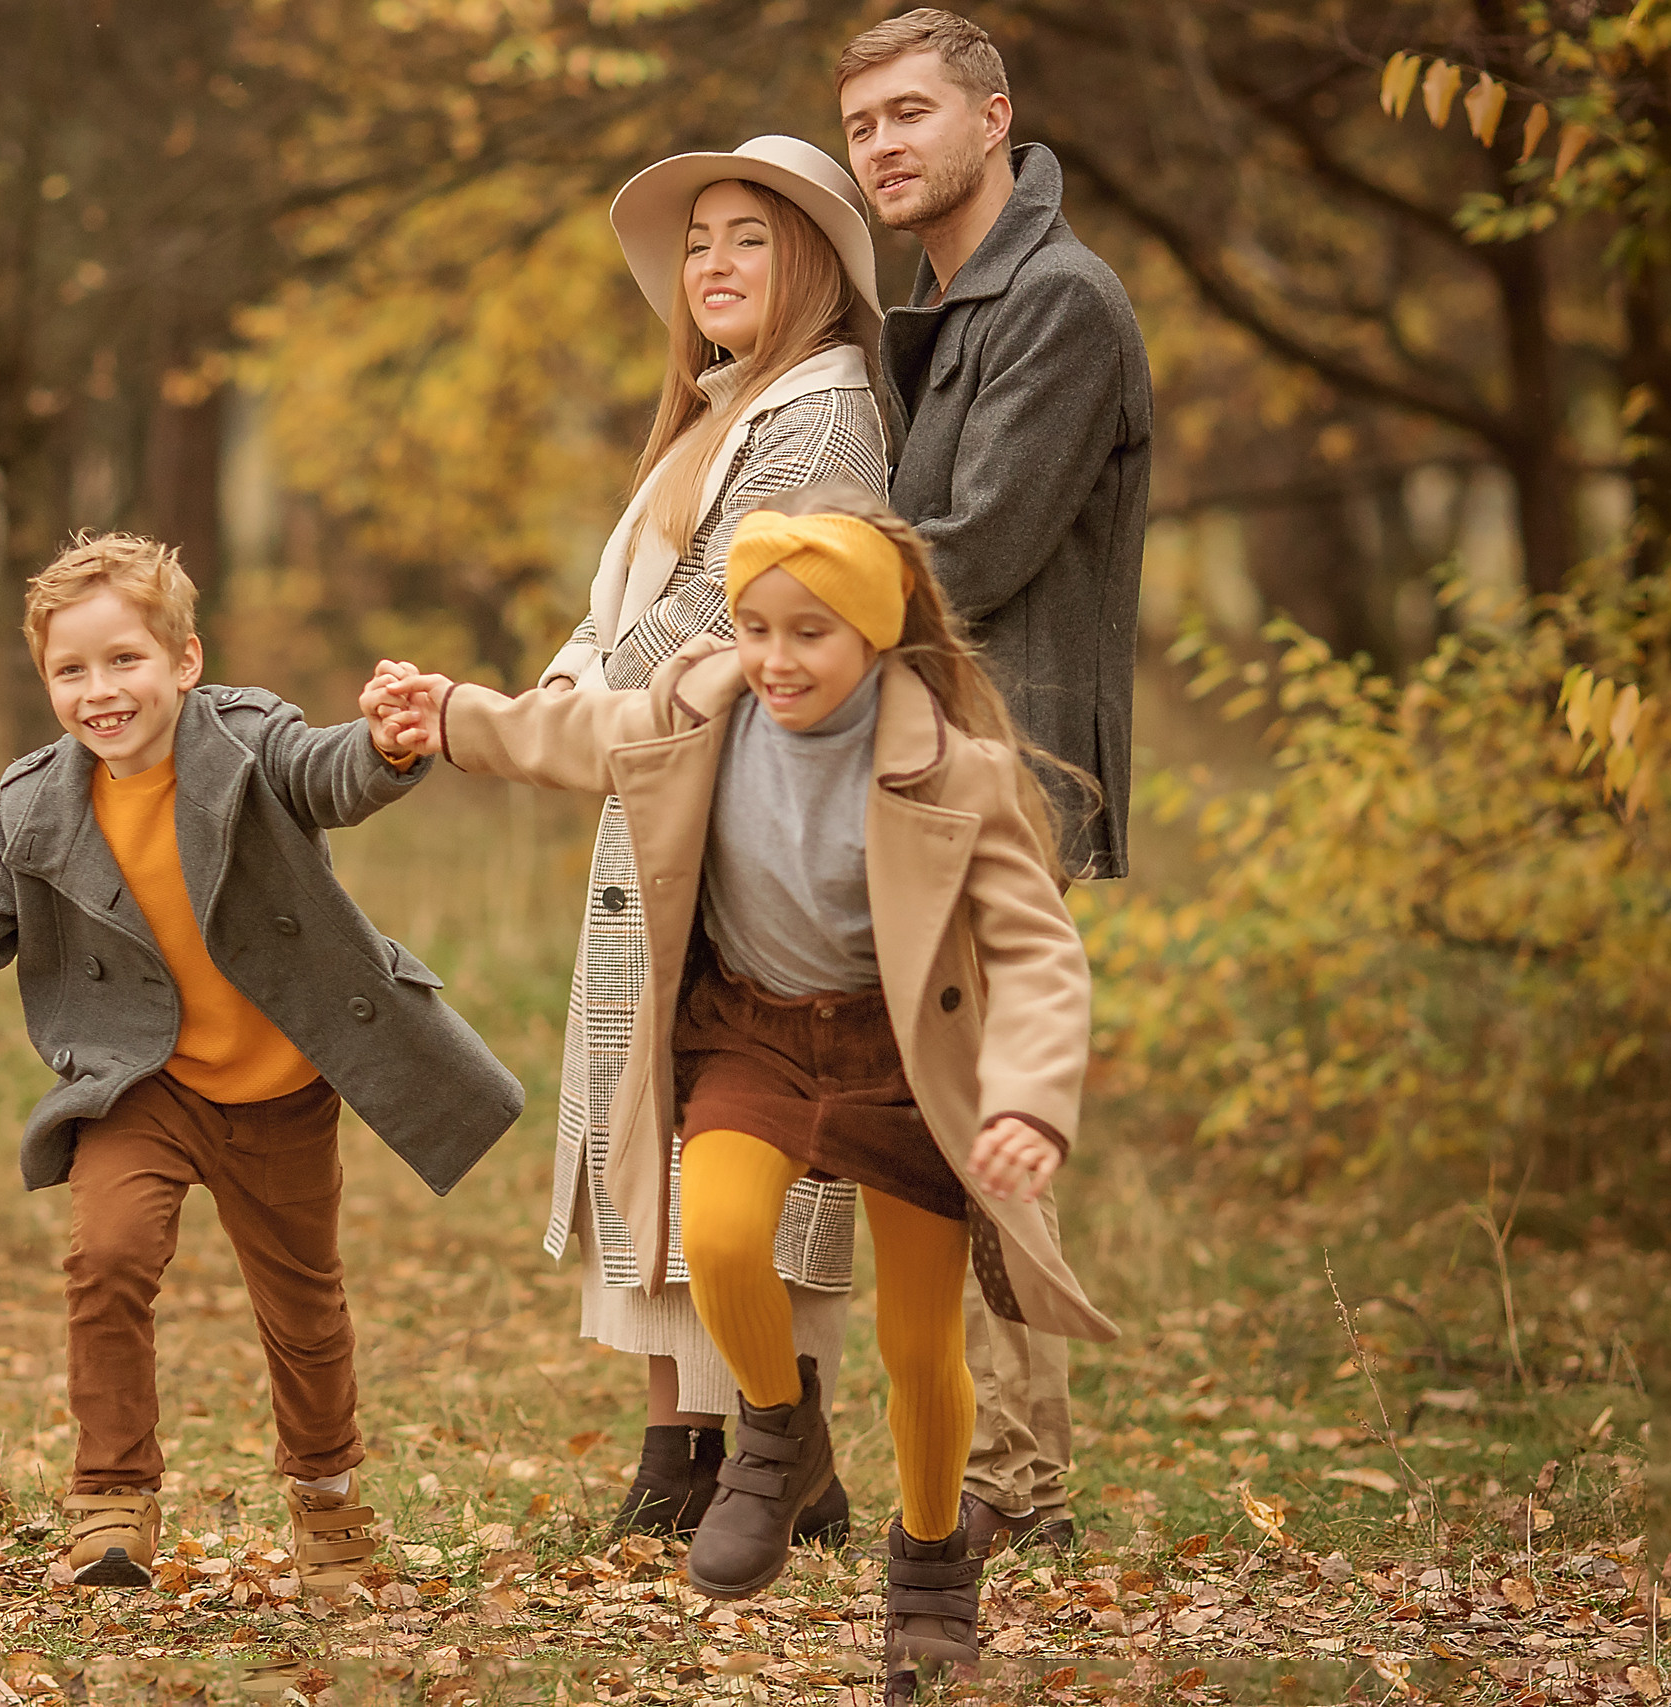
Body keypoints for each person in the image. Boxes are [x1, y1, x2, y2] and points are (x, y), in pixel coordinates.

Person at [371, 483, 1114, 1687]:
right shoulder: (698, 706)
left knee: (923, 1345)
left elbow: (1036, 951)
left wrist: (1026, 1101)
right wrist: (448, 711)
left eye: (808, 633)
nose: (773, 658)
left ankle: (929, 1564)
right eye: (755, 626)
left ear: (875, 632)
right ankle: (778, 1428)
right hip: (751, 1039)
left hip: (900, 1067)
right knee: (711, 1238)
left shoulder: (955, 770)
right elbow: (567, 736)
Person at [0, 532, 523, 1596]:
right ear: (45, 681)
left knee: (303, 1309)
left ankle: (327, 1501)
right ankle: (110, 1502)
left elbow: (326, 773)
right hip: (140, 1083)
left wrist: (383, 747)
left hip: (281, 1088)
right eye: (71, 670)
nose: (100, 691)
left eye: (124, 661)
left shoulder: (248, 742)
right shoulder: (34, 806)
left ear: (184, 662)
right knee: (106, 1256)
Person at [534, 134, 892, 1544]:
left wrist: (579, 705)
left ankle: (777, 1441)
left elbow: (724, 611)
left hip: (747, 805)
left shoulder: (822, 415)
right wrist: (564, 688)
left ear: (810, 263)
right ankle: (681, 1440)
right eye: (698, 244)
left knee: (733, 1120)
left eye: (751, 237)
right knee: (653, 1116)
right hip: (664, 785)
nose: (716, 265)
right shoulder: (720, 408)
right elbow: (631, 595)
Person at [838, 6, 1155, 1556]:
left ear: (992, 118)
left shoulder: (1059, 303)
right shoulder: (954, 302)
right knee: (920, 1103)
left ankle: (1019, 1488)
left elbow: (971, 554)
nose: (884, 145)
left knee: (980, 1112)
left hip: (1010, 767)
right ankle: (949, 1456)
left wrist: (779, 610)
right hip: (934, 756)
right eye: (861, 128)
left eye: (909, 114)